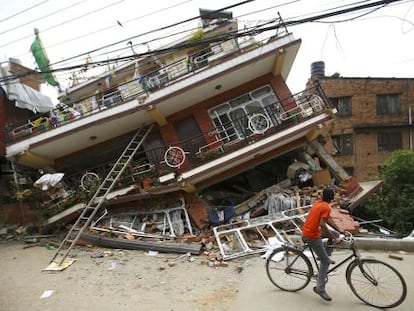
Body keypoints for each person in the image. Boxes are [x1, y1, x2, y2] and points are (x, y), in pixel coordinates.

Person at [302, 188, 342, 301]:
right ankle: (320, 288)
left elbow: (327, 220)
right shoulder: (326, 207)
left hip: (308, 231)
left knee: (336, 233)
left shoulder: (318, 203)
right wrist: (333, 239)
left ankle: (324, 255)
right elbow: (322, 224)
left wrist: (339, 229)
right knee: (325, 262)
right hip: (311, 236)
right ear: (332, 198)